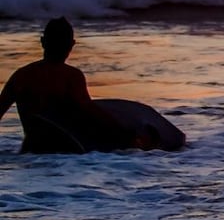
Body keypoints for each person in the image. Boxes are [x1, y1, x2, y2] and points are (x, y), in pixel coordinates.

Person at [0, 18, 146, 152]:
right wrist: (124, 132)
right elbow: (89, 110)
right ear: (71, 45)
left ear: (43, 42)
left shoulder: (22, 76)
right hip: (66, 153)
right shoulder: (71, 76)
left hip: (31, 152)